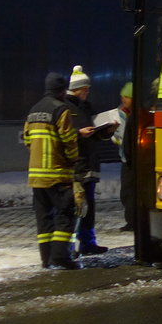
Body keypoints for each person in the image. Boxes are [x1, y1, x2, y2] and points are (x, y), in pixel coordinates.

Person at [22, 71, 81, 270]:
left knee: (44, 218)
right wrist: (73, 158)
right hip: (57, 175)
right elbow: (68, 140)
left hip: (36, 177)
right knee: (65, 214)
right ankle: (60, 257)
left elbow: (27, 140)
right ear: (62, 90)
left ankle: (46, 258)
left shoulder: (34, 110)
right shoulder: (61, 109)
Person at [64, 65, 108, 255]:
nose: (87, 92)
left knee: (88, 207)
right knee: (77, 206)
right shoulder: (66, 107)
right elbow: (63, 135)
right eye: (85, 89)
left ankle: (88, 242)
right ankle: (69, 246)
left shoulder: (86, 107)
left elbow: (93, 131)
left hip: (90, 164)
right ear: (76, 89)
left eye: (88, 89)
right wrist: (79, 134)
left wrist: (105, 132)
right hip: (78, 165)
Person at [113, 80, 134, 232]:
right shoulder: (120, 114)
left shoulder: (138, 115)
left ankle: (133, 221)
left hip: (135, 159)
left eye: (127, 97)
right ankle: (130, 220)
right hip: (125, 158)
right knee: (125, 192)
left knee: (132, 192)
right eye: (122, 97)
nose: (123, 100)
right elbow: (116, 137)